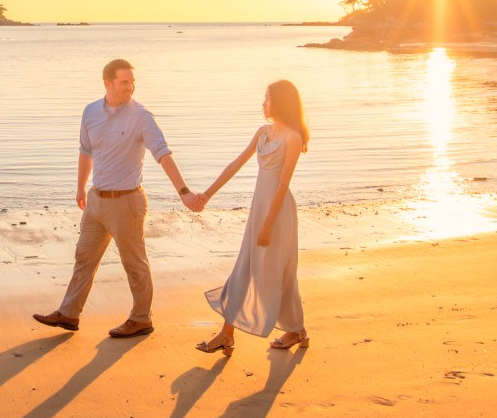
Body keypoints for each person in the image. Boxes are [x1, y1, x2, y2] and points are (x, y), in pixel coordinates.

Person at [34, 59, 205, 339]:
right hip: (96, 200)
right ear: (108, 83)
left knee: (134, 263)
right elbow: (85, 151)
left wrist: (184, 192)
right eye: (125, 82)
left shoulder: (141, 116)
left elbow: (162, 153)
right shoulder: (90, 112)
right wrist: (80, 188)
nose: (131, 87)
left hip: (127, 202)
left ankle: (141, 319)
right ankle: (69, 313)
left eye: (132, 82)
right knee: (83, 258)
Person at [195, 79, 310, 355]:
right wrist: (207, 195)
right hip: (259, 208)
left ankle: (296, 330)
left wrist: (268, 225)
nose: (263, 103)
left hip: (277, 213)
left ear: (280, 102)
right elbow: (236, 164)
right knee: (244, 269)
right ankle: (229, 334)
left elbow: (282, 185)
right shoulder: (263, 132)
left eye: (267, 98)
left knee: (278, 273)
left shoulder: (292, 137)